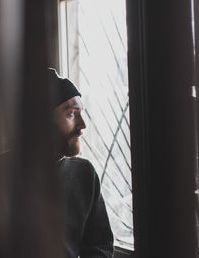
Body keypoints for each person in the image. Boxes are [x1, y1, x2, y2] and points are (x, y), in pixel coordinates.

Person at [48, 68, 114, 258]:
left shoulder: (84, 173)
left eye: (81, 112)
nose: (83, 124)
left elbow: (100, 247)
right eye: (71, 113)